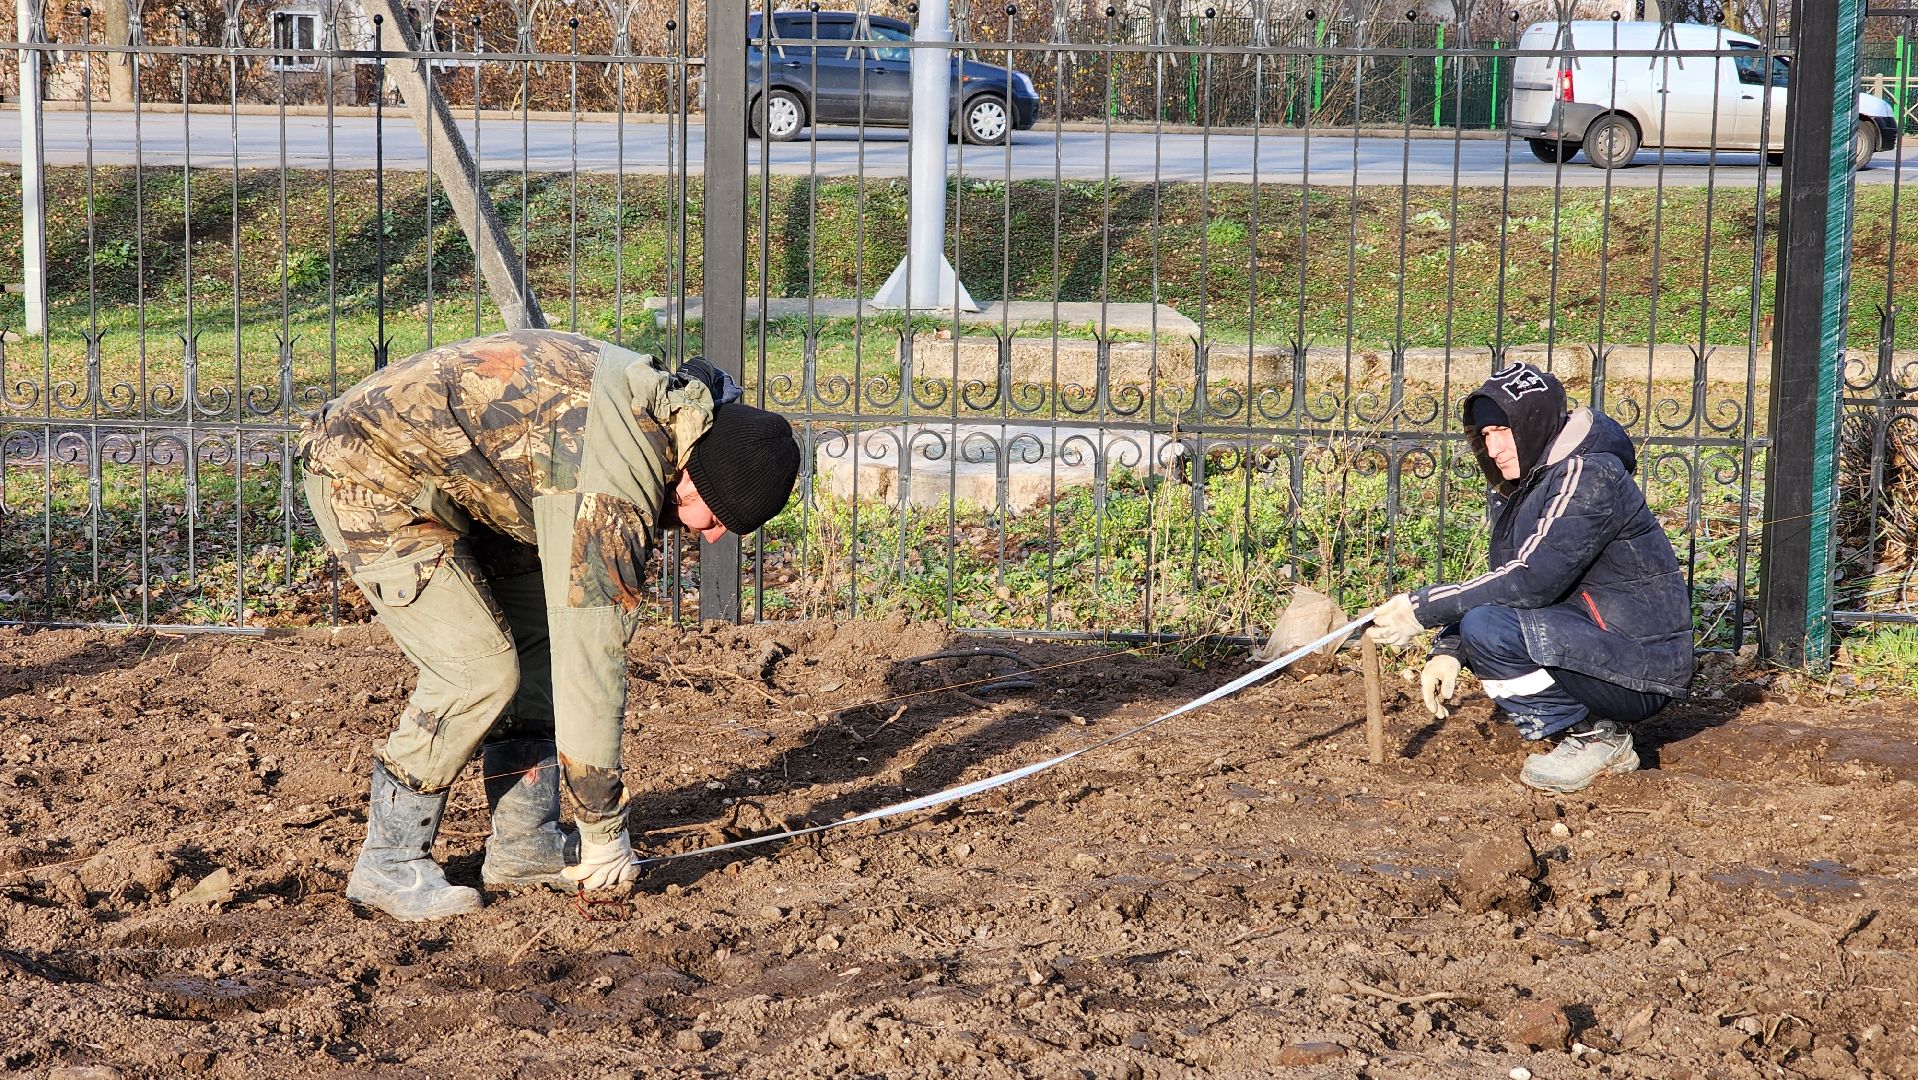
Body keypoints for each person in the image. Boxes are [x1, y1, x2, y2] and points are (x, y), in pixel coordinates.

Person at [300, 329, 801, 920]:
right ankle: (389, 861)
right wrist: (603, 828)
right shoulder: (614, 479)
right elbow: (592, 659)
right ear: (692, 479)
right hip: (368, 473)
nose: (712, 537)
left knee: (535, 645)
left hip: (479, 484)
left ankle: (525, 844)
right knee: (478, 672)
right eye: (715, 518)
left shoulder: (663, 421)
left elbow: (566, 646)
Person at [1366, 362, 1693, 793]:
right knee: (1484, 626)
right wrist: (1450, 648)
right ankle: (1590, 730)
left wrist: (1421, 608)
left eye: (1503, 430)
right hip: (1598, 644)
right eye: (1485, 435)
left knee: (1489, 628)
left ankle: (1596, 740)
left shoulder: (1589, 475)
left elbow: (1529, 581)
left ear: (1533, 423)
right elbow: (1506, 588)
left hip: (1641, 662)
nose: (1493, 447)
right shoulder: (1535, 484)